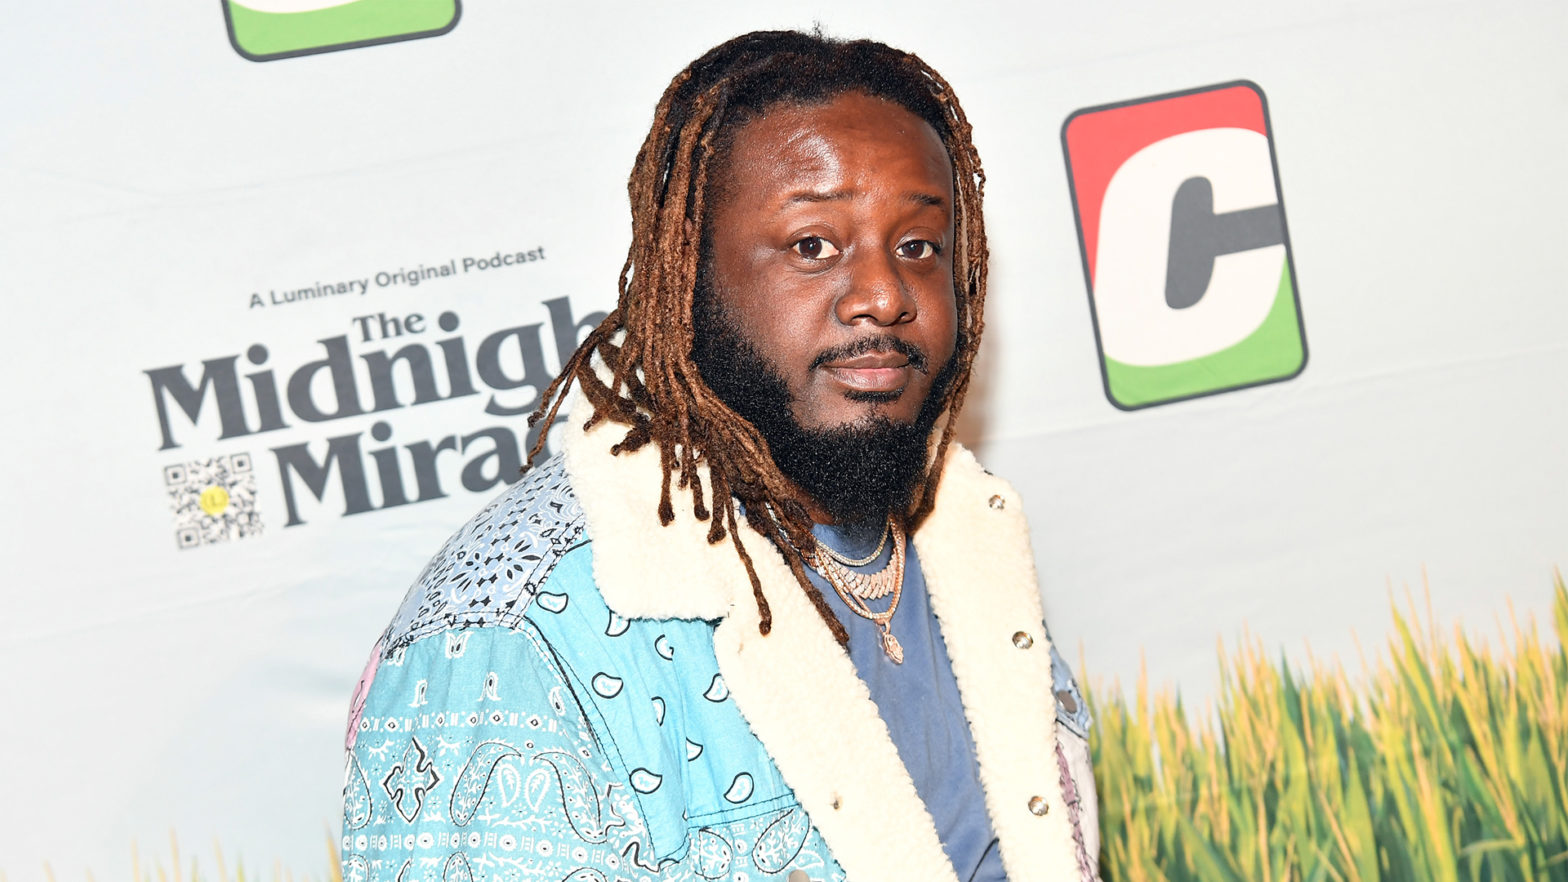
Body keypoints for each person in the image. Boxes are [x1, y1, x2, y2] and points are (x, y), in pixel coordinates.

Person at [341, 30, 1099, 882]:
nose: (886, 294)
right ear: (690, 276)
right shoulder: (515, 634)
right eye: (813, 245)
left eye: (919, 245)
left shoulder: (965, 537)